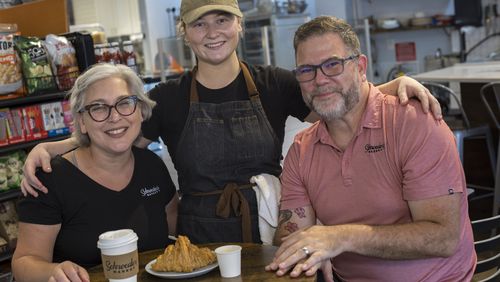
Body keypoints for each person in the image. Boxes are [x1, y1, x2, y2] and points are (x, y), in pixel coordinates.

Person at [20, 0, 441, 244]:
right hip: (198, 237)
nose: (212, 31)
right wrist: (50, 149)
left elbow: (338, 101)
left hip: (273, 227)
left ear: (239, 25)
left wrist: (394, 84)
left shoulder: (273, 83)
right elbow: (114, 135)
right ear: (186, 32)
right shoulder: (168, 97)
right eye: (200, 23)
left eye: (222, 19)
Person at [265, 16, 475, 282]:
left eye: (333, 64)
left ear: (361, 66)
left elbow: (443, 238)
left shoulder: (413, 122)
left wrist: (339, 237)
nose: (320, 80)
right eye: (307, 70)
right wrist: (308, 245)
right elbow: (289, 233)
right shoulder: (302, 150)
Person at [11, 64, 179, 281]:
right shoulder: (49, 178)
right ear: (82, 121)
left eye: (124, 103)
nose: (115, 117)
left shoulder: (152, 166)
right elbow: (24, 262)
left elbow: (176, 229)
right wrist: (52, 271)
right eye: (98, 107)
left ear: (139, 110)